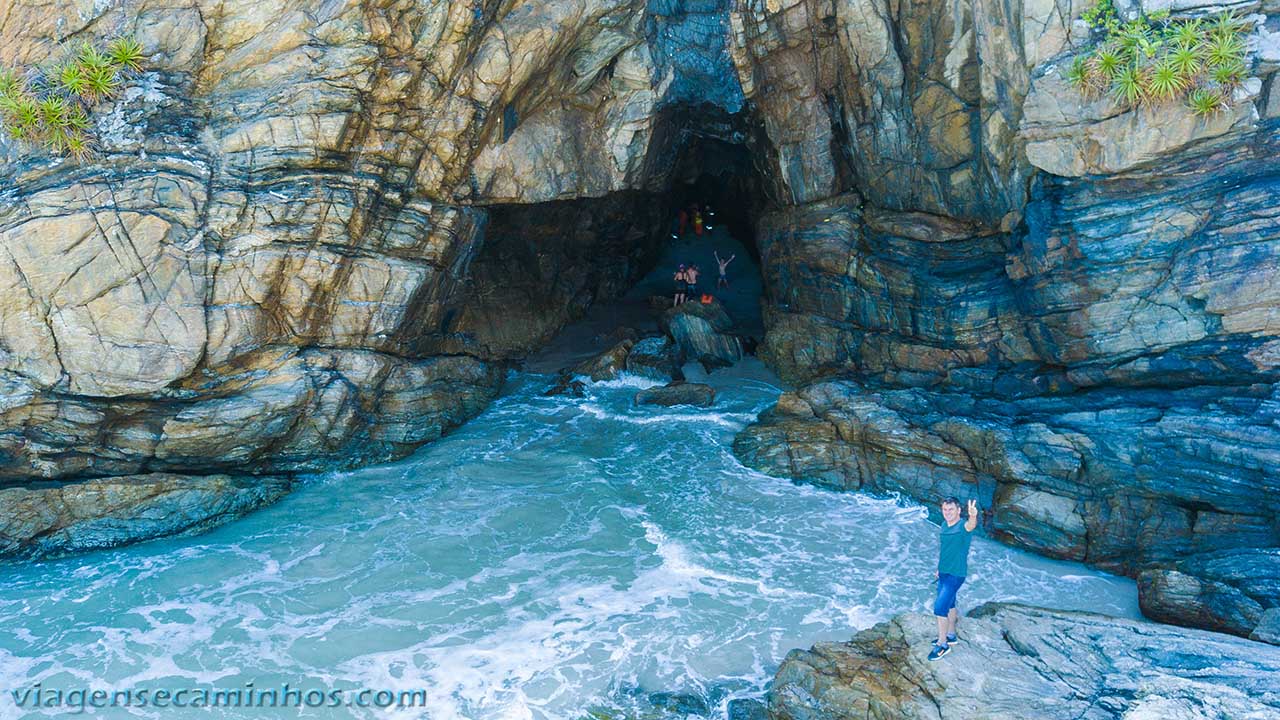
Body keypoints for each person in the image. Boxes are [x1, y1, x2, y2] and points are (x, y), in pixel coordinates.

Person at [928, 496, 978, 661]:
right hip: (944, 571)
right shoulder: (944, 525)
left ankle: (942, 645)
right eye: (945, 509)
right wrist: (939, 568)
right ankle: (951, 635)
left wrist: (973, 516)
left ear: (958, 511)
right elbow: (946, 550)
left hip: (956, 574)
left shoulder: (962, 527)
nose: (947, 513)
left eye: (951, 509)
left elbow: (971, 525)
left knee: (939, 608)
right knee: (950, 604)